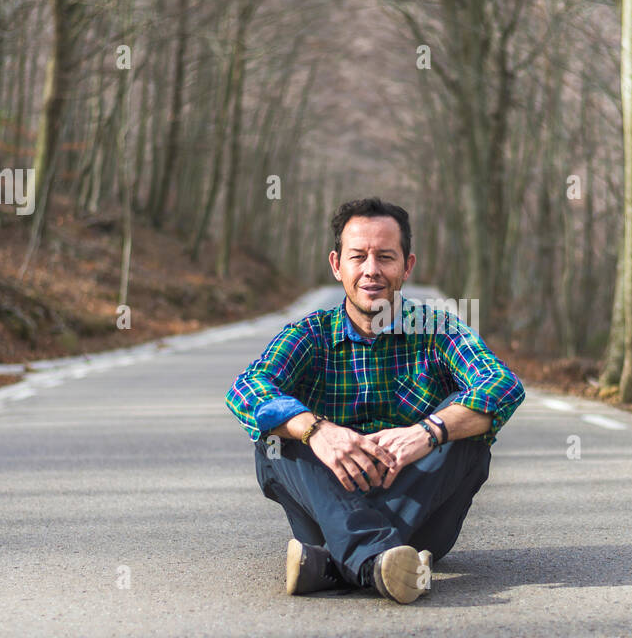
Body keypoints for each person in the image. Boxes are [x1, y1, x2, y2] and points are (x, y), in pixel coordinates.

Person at [225, 197, 525, 604]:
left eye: (385, 257)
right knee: (276, 437)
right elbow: (246, 388)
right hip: (329, 498)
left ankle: (334, 565)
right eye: (358, 257)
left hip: (417, 503)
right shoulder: (310, 334)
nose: (371, 270)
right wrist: (317, 431)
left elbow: (502, 384)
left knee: (468, 423)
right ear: (337, 266)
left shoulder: (437, 329)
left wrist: (429, 431)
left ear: (407, 266)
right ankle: (382, 564)